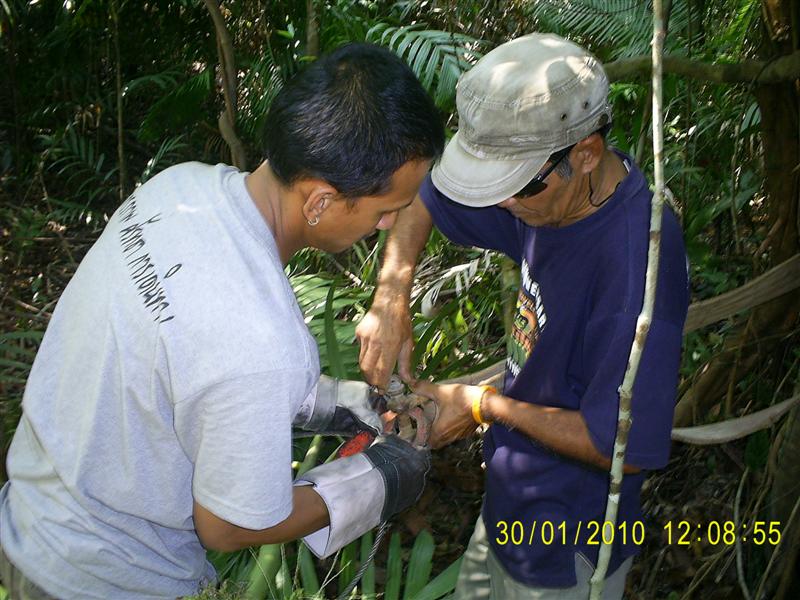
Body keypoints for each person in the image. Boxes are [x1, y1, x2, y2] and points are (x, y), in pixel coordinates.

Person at [0, 43, 442, 599]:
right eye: (386, 210)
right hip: (101, 580)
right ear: (320, 201)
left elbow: (193, 365)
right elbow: (230, 526)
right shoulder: (264, 342)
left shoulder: (178, 187)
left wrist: (330, 402)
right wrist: (378, 482)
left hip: (28, 520)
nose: (389, 226)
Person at [357, 33, 689, 599]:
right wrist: (391, 298)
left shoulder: (636, 269)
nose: (501, 202)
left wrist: (482, 406)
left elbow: (623, 449)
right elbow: (426, 198)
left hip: (568, 540)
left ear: (586, 153)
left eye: (515, 187)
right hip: (509, 507)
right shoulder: (549, 197)